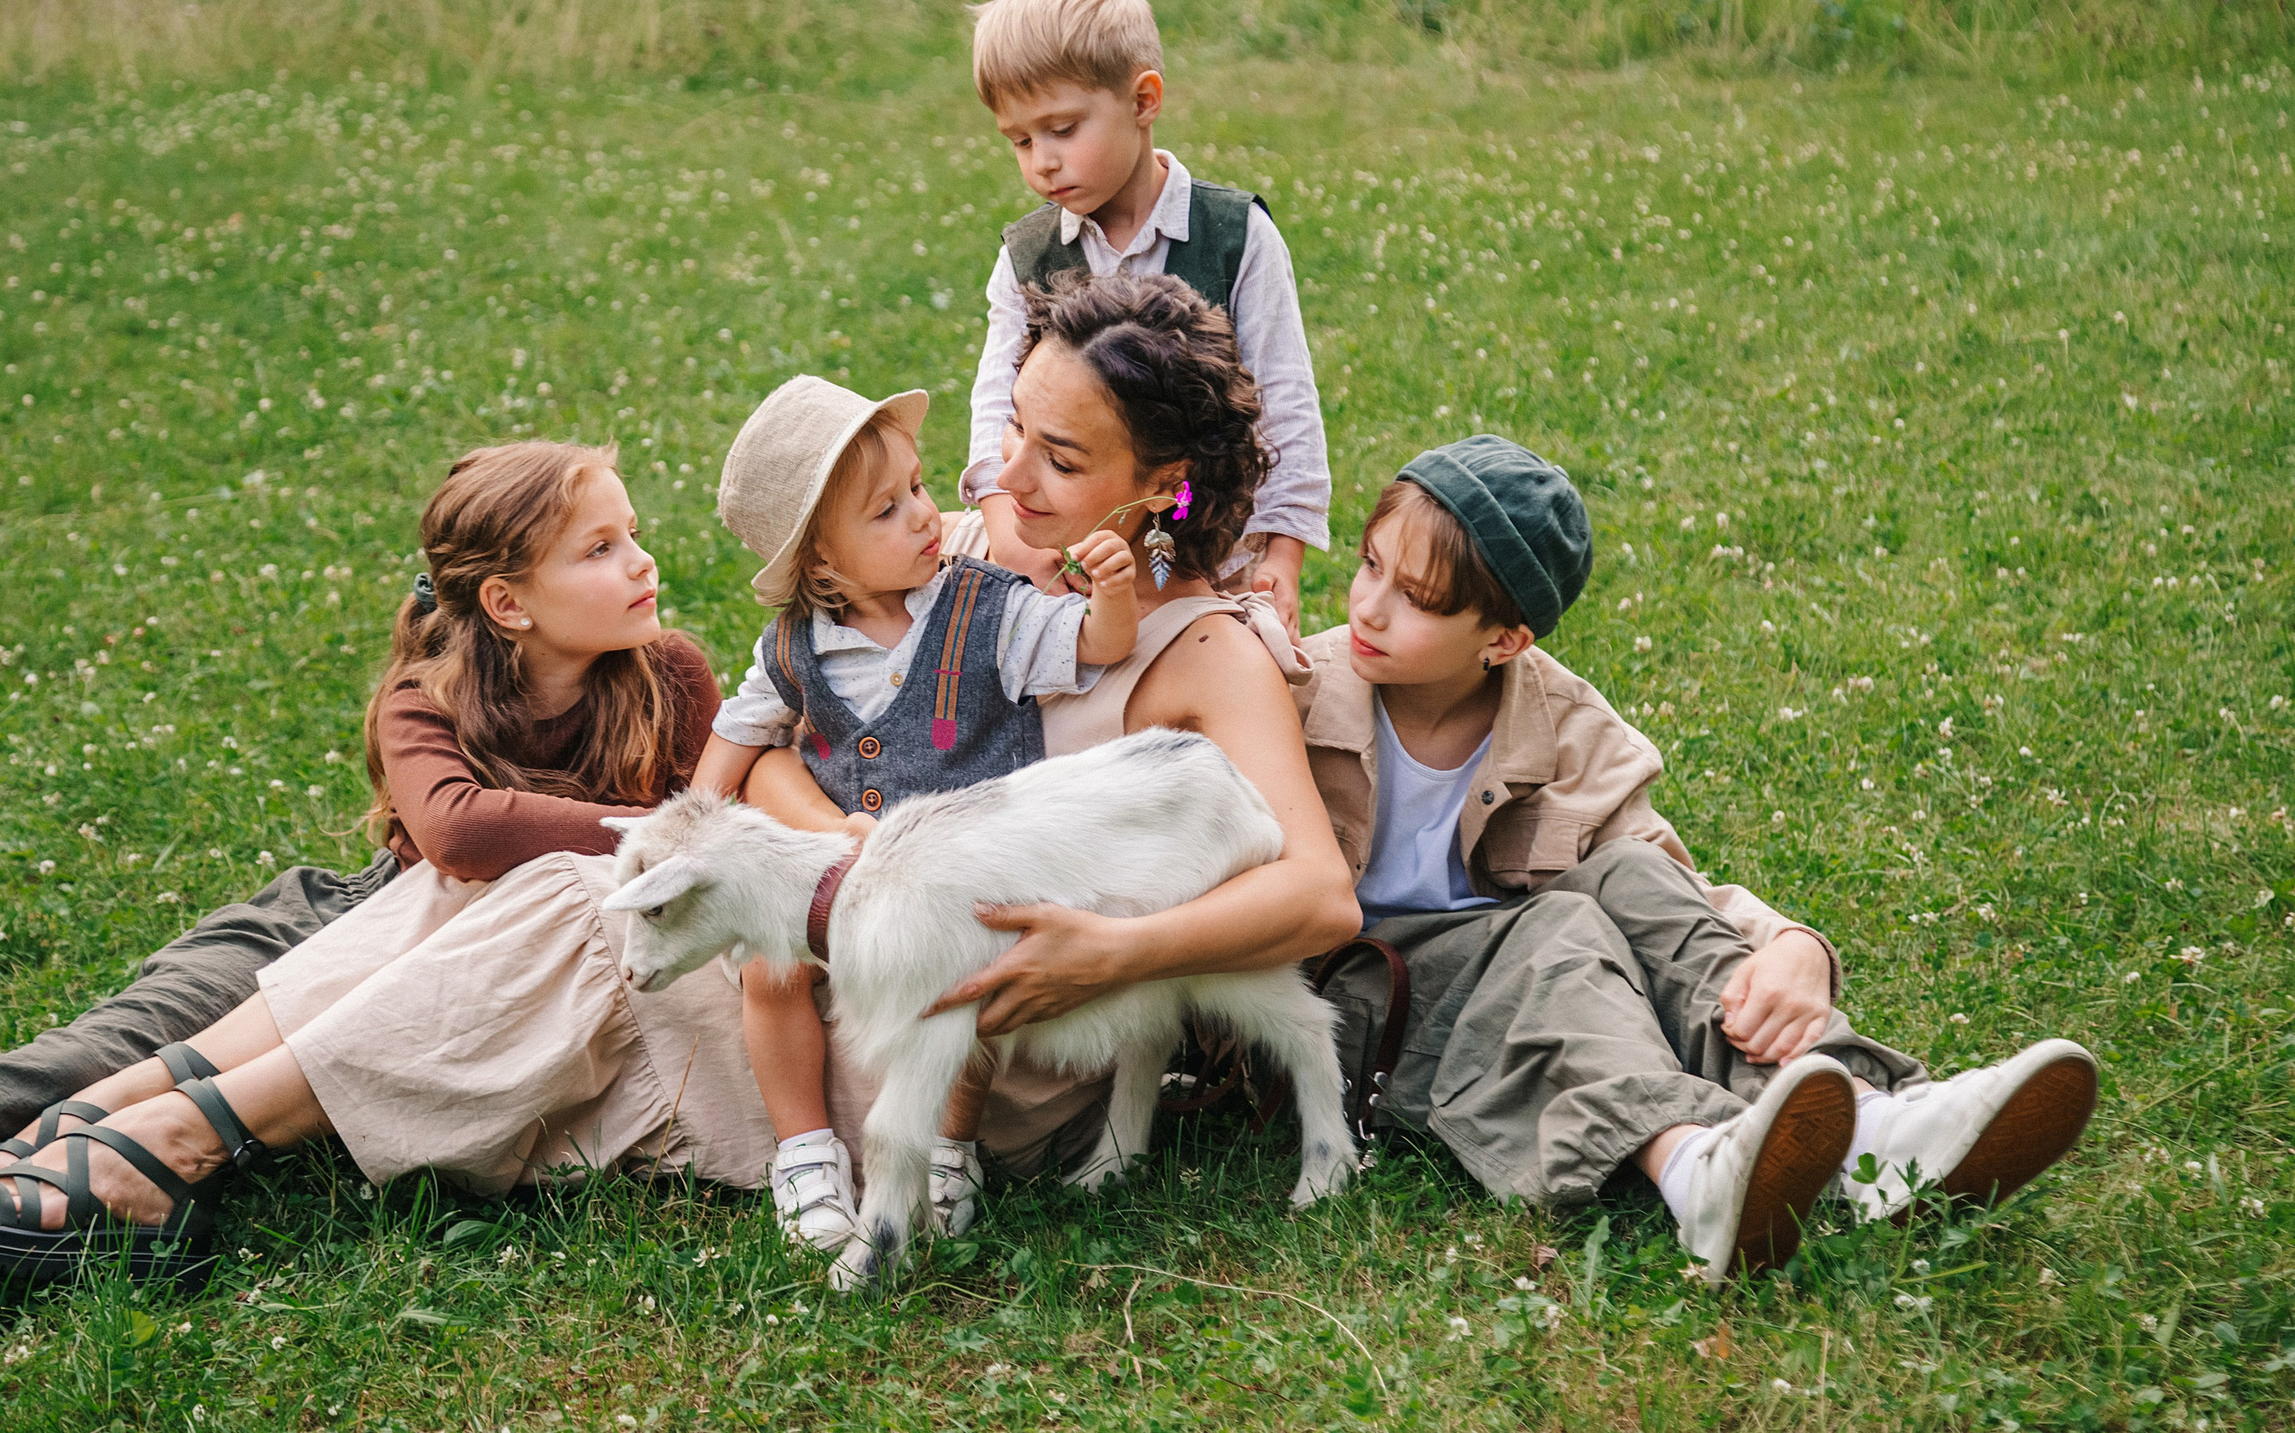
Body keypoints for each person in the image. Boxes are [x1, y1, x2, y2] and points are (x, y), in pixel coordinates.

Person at [0, 440, 726, 1281]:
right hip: (426, 935)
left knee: (518, 882)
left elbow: (707, 843)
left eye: (634, 534)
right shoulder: (429, 695)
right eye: (602, 549)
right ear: (507, 602)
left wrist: (648, 835)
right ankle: (98, 1112)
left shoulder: (671, 676)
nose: (644, 563)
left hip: (609, 975)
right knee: (450, 882)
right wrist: (650, 825)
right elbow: (460, 833)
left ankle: (151, 1130)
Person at [1298, 436, 2100, 1281]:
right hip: (1358, 1004)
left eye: (1416, 596)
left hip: (1528, 970)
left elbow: (1661, 876)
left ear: (1505, 638)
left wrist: (1793, 944)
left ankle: (1873, 1126)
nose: (1369, 606)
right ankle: (1694, 1168)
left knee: (1627, 881)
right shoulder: (1296, 689)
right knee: (1561, 927)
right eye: (1368, 563)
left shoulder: (1570, 726)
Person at [741, 269, 1361, 1206]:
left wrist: (1117, 951)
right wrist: (850, 844)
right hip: (855, 922)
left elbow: (1320, 896)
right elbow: (772, 751)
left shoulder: (1206, 654)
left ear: (1163, 487)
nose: (1010, 475)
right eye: (1015, 426)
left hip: (1006, 1020)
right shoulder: (960, 554)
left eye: (1061, 460)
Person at [692, 375, 1137, 1251]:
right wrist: (706, 826)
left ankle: (946, 1145)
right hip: (840, 879)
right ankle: (806, 1151)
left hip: (953, 877)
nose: (927, 516)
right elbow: (731, 749)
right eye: (887, 510)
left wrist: (1113, 596)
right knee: (771, 970)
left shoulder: (987, 609)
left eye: (921, 488)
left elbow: (1093, 644)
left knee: (961, 986)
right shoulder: (793, 644)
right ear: (821, 564)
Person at [961, 0, 1330, 635]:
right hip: (1065, 554)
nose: (1041, 160)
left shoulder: (1232, 236)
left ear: (1143, 101)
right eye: (1019, 140)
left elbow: (1286, 401)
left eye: (1063, 129)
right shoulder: (1029, 255)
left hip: (1205, 547)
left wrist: (1283, 552)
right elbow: (994, 405)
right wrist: (1009, 536)